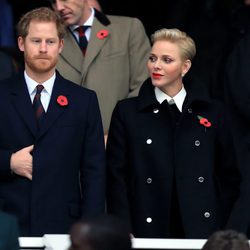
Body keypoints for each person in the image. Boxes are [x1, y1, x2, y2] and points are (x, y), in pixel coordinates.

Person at [106, 28, 240, 238]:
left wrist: (219, 225)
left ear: (185, 67)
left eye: (167, 60)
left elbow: (228, 177)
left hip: (201, 229)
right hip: (146, 227)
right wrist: (124, 227)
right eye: (152, 58)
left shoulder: (214, 112)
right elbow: (117, 177)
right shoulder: (127, 112)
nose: (156, 66)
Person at [0, 7, 106, 236]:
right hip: (9, 224)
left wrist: (91, 231)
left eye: (50, 41)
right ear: (21, 43)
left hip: (65, 227)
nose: (42, 49)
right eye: (35, 40)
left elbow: (94, 172)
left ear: (61, 45)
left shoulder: (83, 101)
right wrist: (8, 162)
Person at [49, 0, 150, 136]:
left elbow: (144, 86)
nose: (59, 7)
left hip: (121, 142)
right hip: (69, 146)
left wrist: (118, 134)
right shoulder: (49, 41)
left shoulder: (128, 28)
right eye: (53, 2)